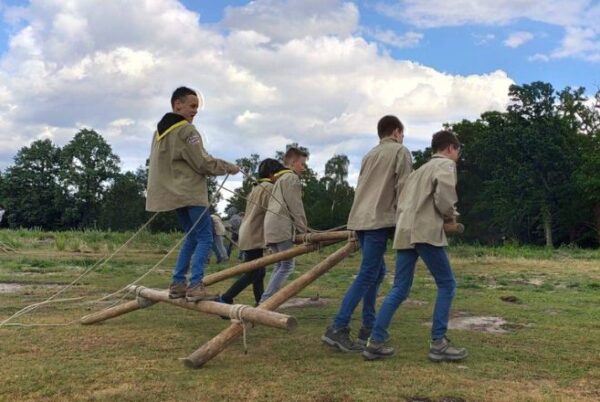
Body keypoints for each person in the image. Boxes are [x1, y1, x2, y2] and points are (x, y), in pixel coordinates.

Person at [362, 130, 467, 362]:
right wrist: (451, 217)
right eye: (457, 151)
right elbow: (444, 200)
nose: (457, 156)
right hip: (425, 231)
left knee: (399, 288)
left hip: (404, 232)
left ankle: (375, 342)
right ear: (450, 148)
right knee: (447, 284)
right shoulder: (446, 165)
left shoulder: (418, 171)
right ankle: (438, 343)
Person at [322, 115, 413, 352]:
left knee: (377, 271)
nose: (403, 137)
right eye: (402, 133)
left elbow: (361, 187)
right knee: (368, 273)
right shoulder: (400, 152)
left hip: (360, 220)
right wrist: (407, 219)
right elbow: (404, 188)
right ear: (396, 131)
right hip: (377, 220)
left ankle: (368, 327)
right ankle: (338, 327)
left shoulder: (369, 155)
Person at [145, 86, 239, 302]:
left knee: (191, 236)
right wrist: (228, 167)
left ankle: (178, 283)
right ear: (177, 104)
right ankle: (195, 284)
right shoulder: (187, 131)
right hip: (191, 193)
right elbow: (202, 162)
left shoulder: (159, 133)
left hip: (174, 194)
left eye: (197, 107)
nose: (195, 111)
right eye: (192, 106)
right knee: (205, 237)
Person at [220, 159, 287, 306]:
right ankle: (226, 297)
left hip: (248, 232)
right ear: (272, 174)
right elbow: (276, 211)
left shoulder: (256, 187)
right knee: (253, 273)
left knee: (259, 272)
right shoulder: (269, 188)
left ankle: (260, 301)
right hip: (254, 234)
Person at [259, 147, 309, 304]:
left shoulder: (279, 179)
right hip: (280, 225)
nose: (304, 168)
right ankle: (265, 301)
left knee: (280, 265)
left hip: (271, 225)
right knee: (287, 265)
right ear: (293, 163)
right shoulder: (291, 178)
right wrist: (305, 230)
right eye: (302, 164)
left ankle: (265, 299)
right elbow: (295, 205)